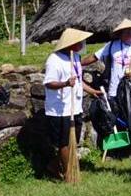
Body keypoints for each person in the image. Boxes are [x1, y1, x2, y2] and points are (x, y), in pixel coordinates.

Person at [42, 28, 102, 179]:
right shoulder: (54, 60)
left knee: (71, 140)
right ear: (71, 43)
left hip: (74, 106)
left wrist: (91, 91)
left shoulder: (75, 56)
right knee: (64, 142)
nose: (82, 44)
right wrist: (64, 84)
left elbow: (78, 81)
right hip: (59, 109)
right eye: (79, 41)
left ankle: (53, 166)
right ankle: (69, 174)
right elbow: (49, 83)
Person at [82, 18, 131, 99]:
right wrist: (79, 63)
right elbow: (95, 57)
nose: (130, 34)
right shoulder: (112, 45)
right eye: (127, 31)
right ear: (120, 33)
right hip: (114, 90)